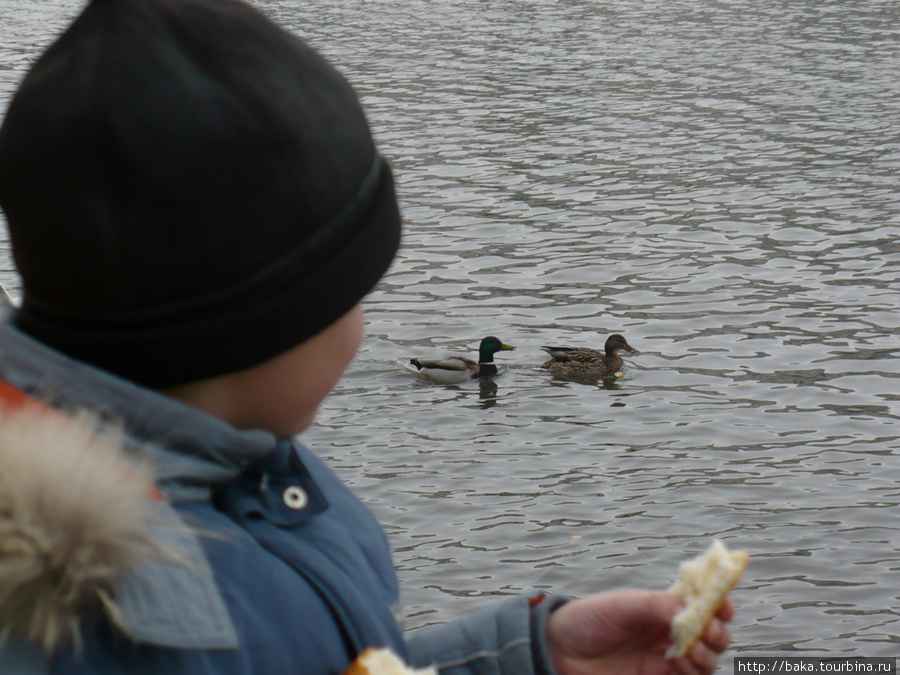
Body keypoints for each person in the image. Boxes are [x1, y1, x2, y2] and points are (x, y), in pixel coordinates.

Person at [0, 0, 734, 673]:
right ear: (265, 318)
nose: (363, 321)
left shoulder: (266, 474)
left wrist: (526, 653)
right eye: (354, 292)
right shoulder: (89, 618)